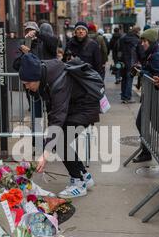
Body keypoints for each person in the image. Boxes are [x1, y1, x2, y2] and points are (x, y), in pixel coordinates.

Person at [18, 53, 99, 198]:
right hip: (73, 108)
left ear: (37, 77)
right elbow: (53, 113)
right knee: (57, 141)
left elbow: (57, 117)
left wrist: (45, 154)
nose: (27, 88)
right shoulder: (42, 73)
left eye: (28, 84)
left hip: (85, 108)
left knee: (59, 142)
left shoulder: (58, 82)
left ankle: (79, 184)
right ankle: (84, 176)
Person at [130, 28, 159, 163]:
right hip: (150, 95)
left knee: (146, 124)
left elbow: (156, 75)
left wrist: (140, 73)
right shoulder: (151, 53)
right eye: (142, 41)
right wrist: (140, 69)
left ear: (151, 41)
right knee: (151, 124)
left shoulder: (157, 55)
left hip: (155, 96)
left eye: (144, 41)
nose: (142, 44)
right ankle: (146, 151)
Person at [118, 26, 144, 103]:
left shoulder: (123, 39)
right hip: (132, 62)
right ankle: (128, 97)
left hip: (123, 61)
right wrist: (141, 61)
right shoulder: (137, 40)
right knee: (130, 79)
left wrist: (119, 60)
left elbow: (118, 50)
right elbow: (140, 53)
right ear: (137, 32)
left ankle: (123, 96)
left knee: (124, 79)